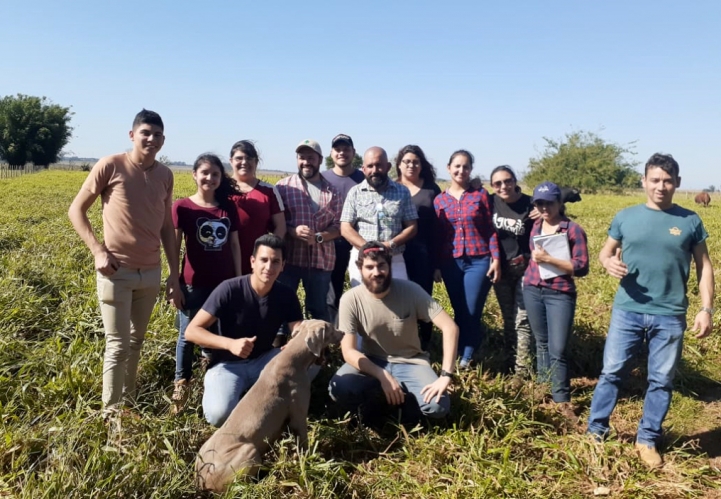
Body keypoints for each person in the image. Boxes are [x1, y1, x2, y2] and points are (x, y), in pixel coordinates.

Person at [586, 153, 714, 468]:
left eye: (667, 181)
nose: (661, 186)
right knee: (612, 373)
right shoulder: (625, 216)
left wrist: (706, 308)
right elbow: (604, 254)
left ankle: (647, 439)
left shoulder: (690, 221)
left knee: (660, 380)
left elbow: (705, 267)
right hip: (627, 310)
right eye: (655, 180)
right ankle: (595, 431)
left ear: (678, 183)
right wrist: (608, 262)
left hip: (669, 315)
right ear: (644, 182)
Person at [68, 109, 179, 413]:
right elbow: (76, 210)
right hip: (116, 271)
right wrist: (97, 251)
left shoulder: (165, 175)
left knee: (136, 341)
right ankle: (111, 415)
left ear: (163, 140)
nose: (151, 139)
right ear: (132, 135)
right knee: (117, 346)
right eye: (145, 133)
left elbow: (167, 227)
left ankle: (128, 405)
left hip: (150, 272)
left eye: (157, 135)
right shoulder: (111, 165)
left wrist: (174, 273)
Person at [328, 242, 459, 426]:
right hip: (372, 360)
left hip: (411, 361)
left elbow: (449, 327)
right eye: (369, 267)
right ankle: (377, 399)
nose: (376, 272)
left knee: (437, 407)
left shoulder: (411, 290)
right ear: (359, 268)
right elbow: (348, 351)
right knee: (339, 389)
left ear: (390, 266)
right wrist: (382, 375)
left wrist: (446, 375)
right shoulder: (350, 300)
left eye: (381, 265)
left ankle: (406, 402)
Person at [185, 234, 303, 427]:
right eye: (264, 260)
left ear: (283, 266)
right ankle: (248, 399)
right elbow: (192, 331)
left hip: (264, 362)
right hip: (227, 366)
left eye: (275, 262)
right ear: (252, 262)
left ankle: (276, 403)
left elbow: (297, 328)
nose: (269, 267)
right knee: (218, 415)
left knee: (310, 362)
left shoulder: (286, 294)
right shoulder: (229, 289)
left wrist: (295, 343)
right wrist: (230, 344)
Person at [168, 153, 243, 414]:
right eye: (205, 173)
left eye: (215, 174)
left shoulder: (227, 207)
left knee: (219, 332)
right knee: (186, 334)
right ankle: (181, 382)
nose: (210, 178)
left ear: (221, 178)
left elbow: (234, 244)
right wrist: (174, 282)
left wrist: (236, 281)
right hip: (193, 283)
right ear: (194, 174)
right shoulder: (183, 207)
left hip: (222, 284)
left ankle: (212, 377)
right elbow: (174, 248)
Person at [522, 181, 589, 419]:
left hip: (560, 292)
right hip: (532, 288)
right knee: (540, 342)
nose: (545, 207)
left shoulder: (572, 230)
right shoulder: (536, 225)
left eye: (549, 202)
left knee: (557, 348)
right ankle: (543, 387)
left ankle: (561, 399)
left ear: (560, 203)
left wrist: (549, 260)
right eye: (539, 203)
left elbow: (581, 267)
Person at [434, 150, 500, 369]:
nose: (461, 170)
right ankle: (461, 348)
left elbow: (490, 229)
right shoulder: (440, 200)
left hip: (479, 260)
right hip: (451, 261)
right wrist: (436, 266)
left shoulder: (480, 195)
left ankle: (467, 357)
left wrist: (496, 258)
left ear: (471, 169)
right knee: (459, 309)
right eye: (457, 166)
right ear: (449, 168)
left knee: (472, 309)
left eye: (466, 167)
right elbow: (439, 235)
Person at [276, 139, 342, 322]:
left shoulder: (333, 191)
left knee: (319, 309)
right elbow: (274, 222)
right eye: (302, 157)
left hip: (321, 261)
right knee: (282, 307)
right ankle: (281, 348)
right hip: (289, 260)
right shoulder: (283, 187)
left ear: (320, 160)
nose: (306, 162)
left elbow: (339, 226)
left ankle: (320, 349)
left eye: (311, 157)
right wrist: (292, 231)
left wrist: (319, 237)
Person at [340, 147, 418, 287]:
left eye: (379, 165)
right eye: (370, 166)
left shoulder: (402, 192)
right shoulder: (355, 193)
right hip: (362, 258)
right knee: (363, 303)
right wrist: (367, 248)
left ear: (387, 167)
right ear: (363, 169)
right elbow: (345, 228)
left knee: (398, 303)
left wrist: (390, 245)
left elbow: (412, 227)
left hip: (394, 258)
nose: (374, 170)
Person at [489, 165, 536, 379]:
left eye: (507, 181)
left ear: (515, 181)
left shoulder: (530, 203)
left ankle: (522, 370)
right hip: (501, 268)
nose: (503, 186)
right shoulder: (490, 202)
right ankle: (509, 362)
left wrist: (543, 210)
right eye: (497, 183)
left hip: (525, 267)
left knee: (523, 319)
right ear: (492, 186)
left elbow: (560, 200)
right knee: (508, 318)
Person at [394, 145, 442, 351]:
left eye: (416, 161)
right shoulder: (391, 187)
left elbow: (439, 230)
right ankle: (402, 341)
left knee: (422, 298)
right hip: (396, 254)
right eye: (407, 161)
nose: (411, 165)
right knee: (398, 297)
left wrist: (437, 263)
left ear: (422, 165)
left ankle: (425, 343)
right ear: (398, 164)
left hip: (423, 255)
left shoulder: (432, 190)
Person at [321, 134, 365, 324]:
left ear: (353, 152)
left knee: (361, 290)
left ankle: (358, 334)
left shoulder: (364, 178)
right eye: (337, 149)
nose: (342, 153)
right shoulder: (322, 178)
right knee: (332, 294)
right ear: (331, 153)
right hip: (332, 244)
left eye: (346, 149)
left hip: (359, 243)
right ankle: (332, 336)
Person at [229, 140, 286, 275]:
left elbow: (281, 227)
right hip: (224, 261)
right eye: (239, 158)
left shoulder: (268, 191)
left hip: (258, 264)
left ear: (256, 162)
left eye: (249, 158)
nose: (244, 162)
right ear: (231, 161)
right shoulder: (220, 188)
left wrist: (268, 255)